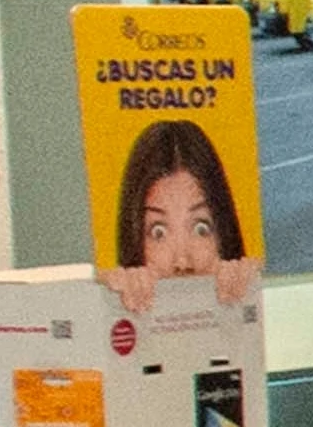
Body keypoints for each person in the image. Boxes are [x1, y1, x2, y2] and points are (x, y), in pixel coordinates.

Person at [106, 118, 258, 312]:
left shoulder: (255, 297)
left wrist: (250, 299)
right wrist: (111, 305)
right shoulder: (112, 315)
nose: (182, 263)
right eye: (158, 232)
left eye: (201, 229)